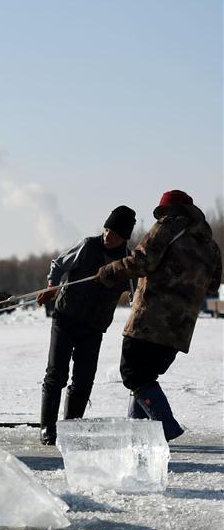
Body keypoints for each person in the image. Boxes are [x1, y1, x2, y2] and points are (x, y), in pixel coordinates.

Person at [97, 191, 221, 441]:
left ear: (171, 210)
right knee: (143, 378)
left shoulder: (169, 226)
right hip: (180, 328)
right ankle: (137, 435)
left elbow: (142, 261)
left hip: (151, 320)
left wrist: (109, 271)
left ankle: (166, 427)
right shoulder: (211, 245)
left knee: (134, 374)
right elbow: (213, 286)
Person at [35, 205, 136, 445]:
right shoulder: (88, 246)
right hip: (66, 318)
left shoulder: (127, 262)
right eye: (106, 229)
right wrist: (52, 286)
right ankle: (47, 428)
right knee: (56, 374)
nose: (107, 236)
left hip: (93, 327)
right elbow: (58, 264)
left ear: (123, 237)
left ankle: (70, 429)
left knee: (83, 379)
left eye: (113, 233)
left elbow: (135, 293)